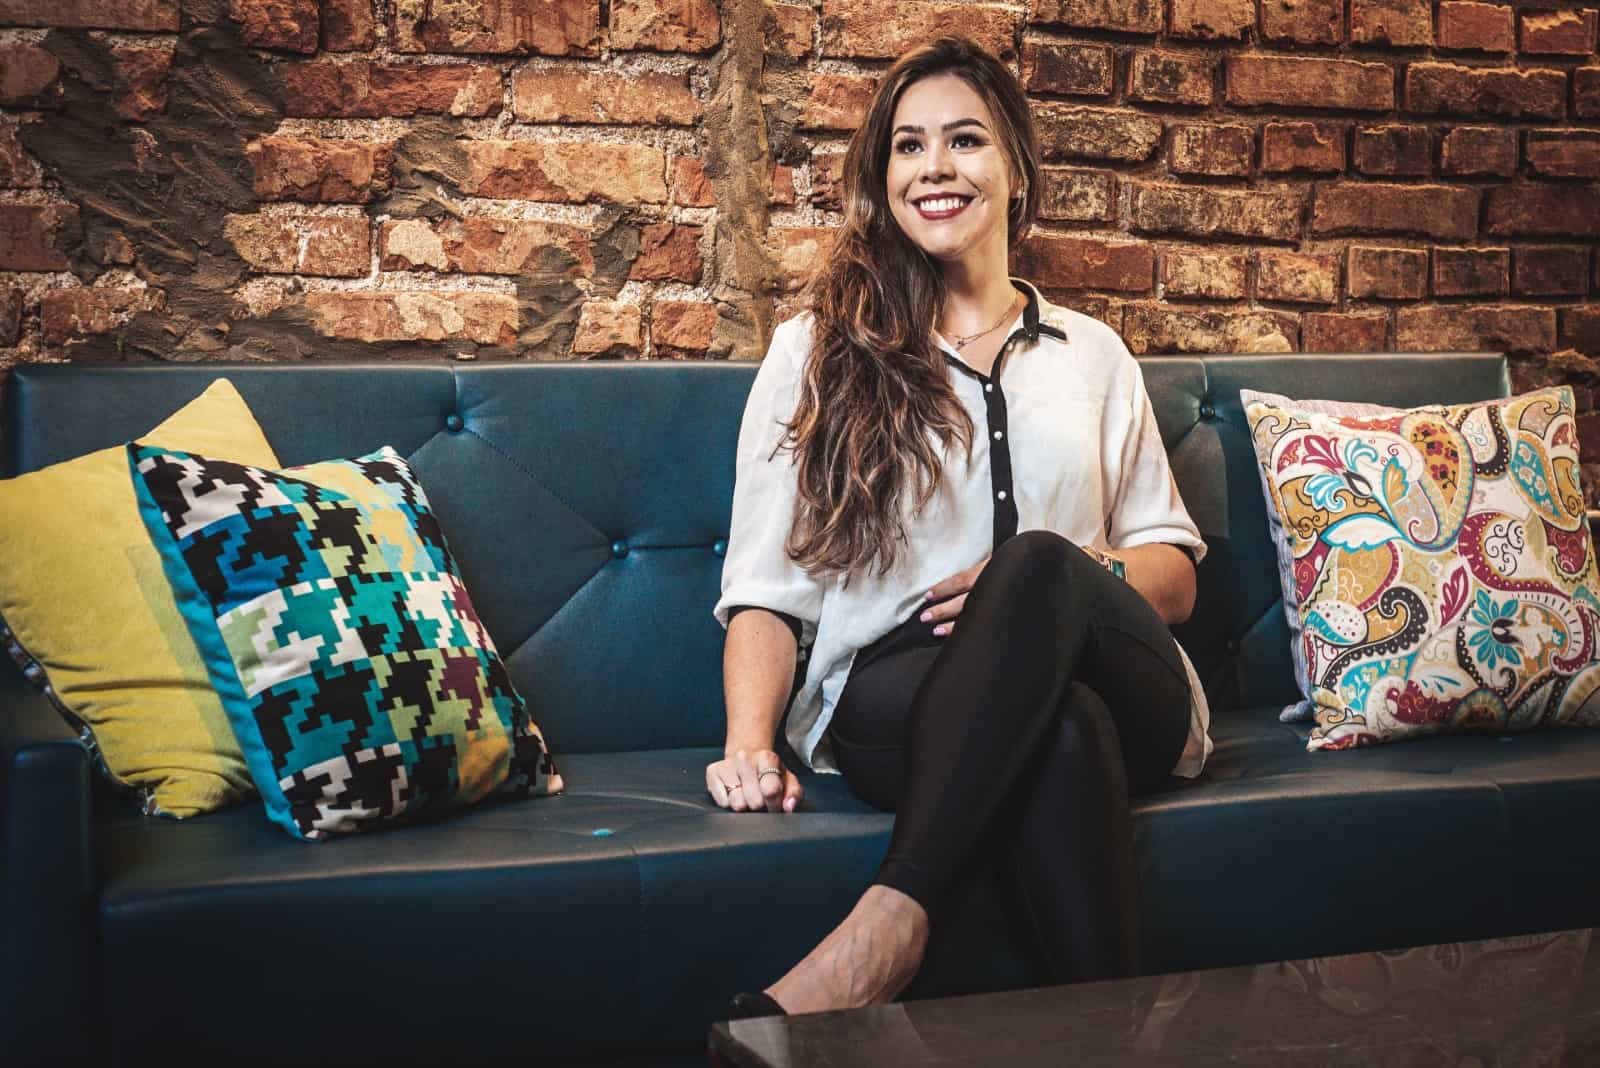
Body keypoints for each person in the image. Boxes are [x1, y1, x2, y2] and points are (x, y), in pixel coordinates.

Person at [708, 34, 1211, 1018]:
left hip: (1119, 670)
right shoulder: (817, 350)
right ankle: (1114, 1036)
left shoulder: (1093, 354)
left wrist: (1063, 574)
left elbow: (1175, 575)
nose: (934, 166)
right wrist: (746, 743)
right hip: (902, 697)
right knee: (1065, 730)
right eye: (907, 146)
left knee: (1038, 566)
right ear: (882, 176)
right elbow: (765, 590)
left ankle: (890, 920)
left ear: (1014, 170)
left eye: (966, 140)